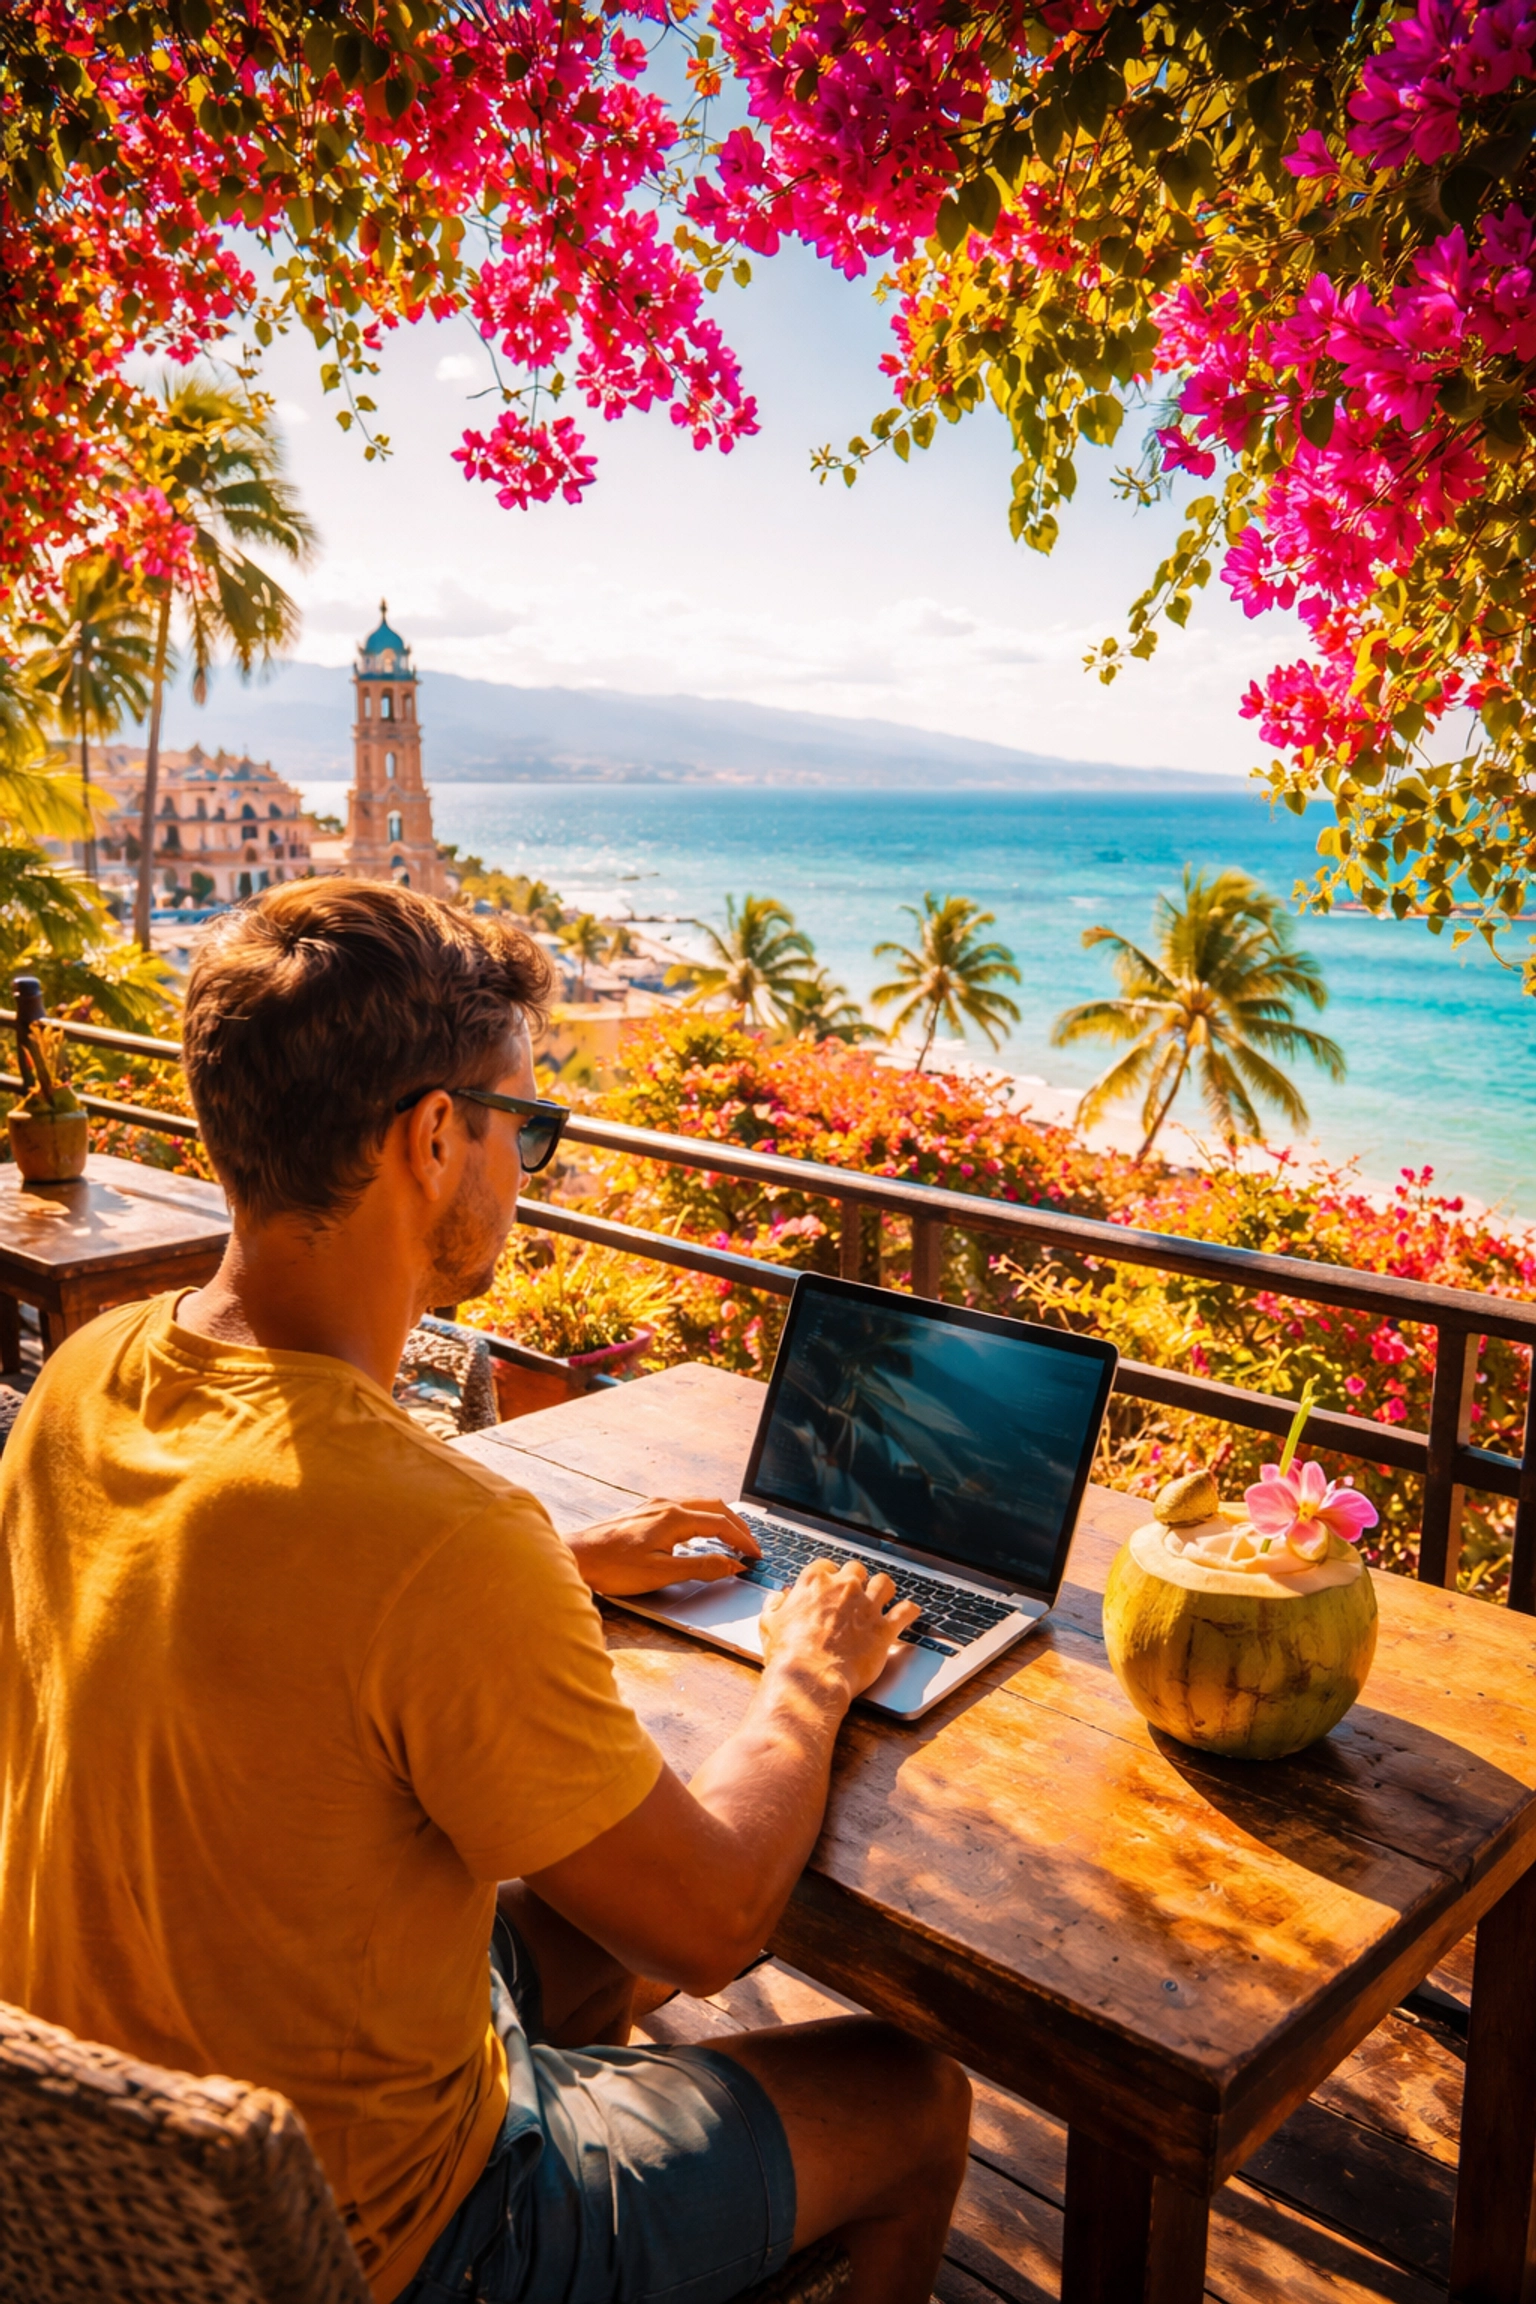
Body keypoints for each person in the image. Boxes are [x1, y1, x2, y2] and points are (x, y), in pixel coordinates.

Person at [0, 880, 970, 2304]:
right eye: (534, 1125)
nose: (532, 1164)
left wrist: (572, 1563)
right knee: (911, 2096)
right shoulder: (438, 1538)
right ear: (434, 1137)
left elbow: (257, 1589)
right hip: (394, 2242)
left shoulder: (89, 1378)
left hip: (113, 2177)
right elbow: (713, 1931)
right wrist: (811, 1674)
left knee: (577, 1924)